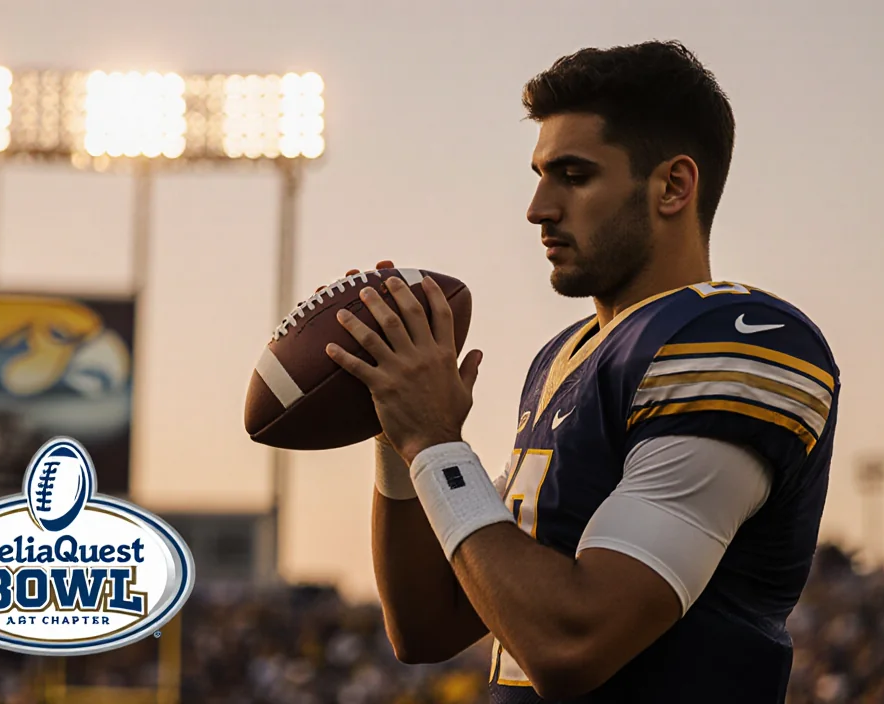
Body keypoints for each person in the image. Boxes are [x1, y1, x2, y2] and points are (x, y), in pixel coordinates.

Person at [324, 40, 840, 702]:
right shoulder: (565, 357)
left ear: (673, 186)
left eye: (573, 175)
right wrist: (395, 430)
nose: (538, 208)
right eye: (539, 175)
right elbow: (426, 626)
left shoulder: (736, 342)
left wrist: (435, 440)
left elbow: (575, 643)